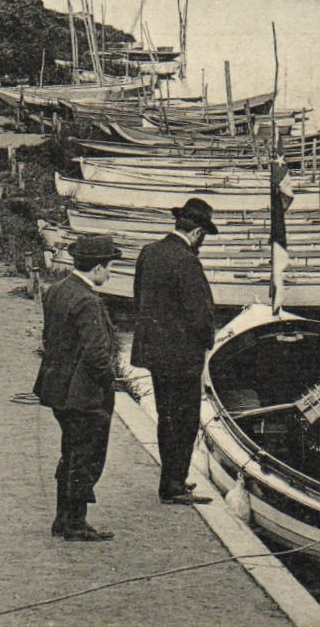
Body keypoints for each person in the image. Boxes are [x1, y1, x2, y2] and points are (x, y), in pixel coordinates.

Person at [33, 233, 124, 541]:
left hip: (57, 388)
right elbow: (98, 356)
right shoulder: (88, 302)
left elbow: (52, 340)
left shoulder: (57, 290)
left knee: (69, 452)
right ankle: (75, 522)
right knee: (85, 457)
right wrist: (109, 381)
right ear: (96, 268)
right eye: (109, 267)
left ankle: (63, 518)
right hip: (84, 394)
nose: (110, 274)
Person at [131, 197, 219, 505]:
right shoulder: (187, 261)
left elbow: (138, 299)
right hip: (183, 358)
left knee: (166, 417)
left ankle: (171, 481)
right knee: (185, 420)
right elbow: (200, 314)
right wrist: (208, 340)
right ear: (197, 233)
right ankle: (174, 485)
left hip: (155, 354)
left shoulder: (149, 253)